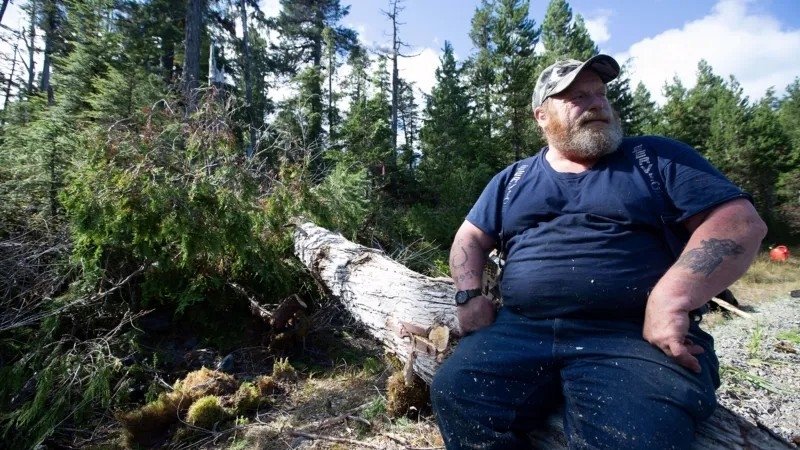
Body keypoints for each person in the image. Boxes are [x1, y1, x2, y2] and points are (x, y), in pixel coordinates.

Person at [430, 54, 767, 450]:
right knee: (458, 391)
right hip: (521, 329)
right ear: (541, 116)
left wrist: (672, 300)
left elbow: (738, 222)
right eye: (577, 97)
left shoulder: (654, 158)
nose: (596, 104)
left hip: (632, 335)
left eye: (600, 94)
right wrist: (469, 296)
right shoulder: (513, 178)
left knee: (633, 436)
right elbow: (469, 238)